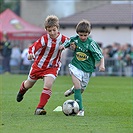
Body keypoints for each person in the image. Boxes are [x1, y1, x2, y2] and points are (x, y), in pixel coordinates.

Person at [16, 15, 68, 115]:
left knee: (48, 85)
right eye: (49, 31)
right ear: (46, 30)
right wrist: (30, 53)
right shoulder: (44, 39)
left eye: (54, 30)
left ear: (58, 28)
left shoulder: (64, 39)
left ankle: (39, 108)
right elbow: (33, 47)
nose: (52, 33)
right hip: (38, 66)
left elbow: (72, 43)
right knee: (28, 84)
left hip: (52, 67)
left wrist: (72, 46)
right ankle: (22, 90)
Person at [60, 19, 105, 116]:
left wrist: (102, 65)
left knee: (81, 89)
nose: (83, 37)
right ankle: (80, 109)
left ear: (89, 33)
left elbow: (100, 55)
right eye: (81, 35)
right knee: (78, 86)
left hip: (87, 70)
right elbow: (66, 43)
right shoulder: (74, 39)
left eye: (85, 35)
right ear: (77, 33)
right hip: (75, 66)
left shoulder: (91, 44)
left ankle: (73, 90)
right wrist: (62, 47)